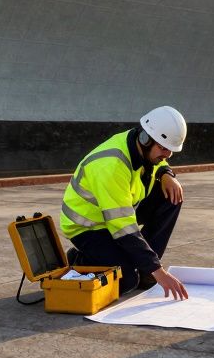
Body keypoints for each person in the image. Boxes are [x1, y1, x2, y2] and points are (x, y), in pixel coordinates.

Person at [59, 106, 190, 300]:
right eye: (164, 148)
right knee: (126, 280)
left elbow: (158, 161)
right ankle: (80, 258)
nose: (167, 155)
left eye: (170, 151)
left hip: (117, 212)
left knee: (171, 196)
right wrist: (159, 271)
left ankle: (146, 270)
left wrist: (166, 174)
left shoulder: (139, 144)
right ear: (146, 139)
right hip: (88, 227)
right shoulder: (111, 165)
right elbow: (123, 227)